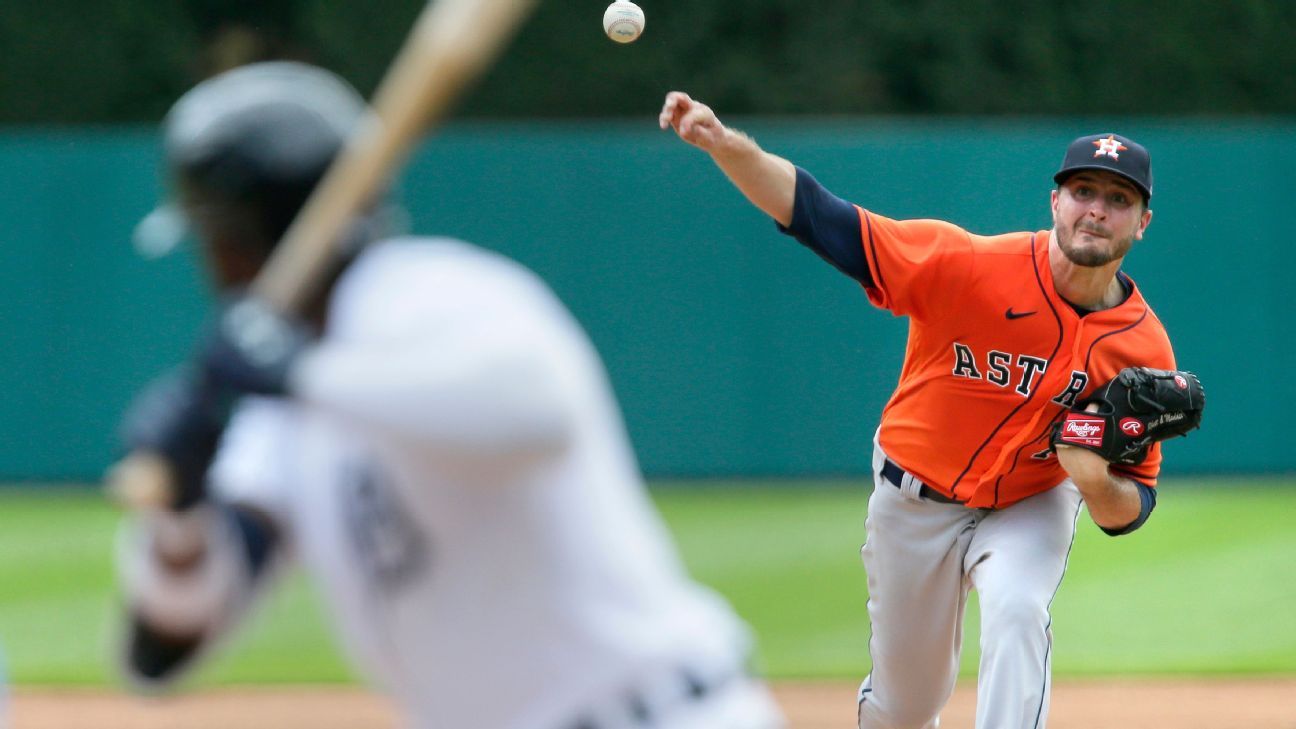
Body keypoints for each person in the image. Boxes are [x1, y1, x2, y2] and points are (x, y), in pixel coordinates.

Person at [113, 63, 785, 729]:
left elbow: (533, 411)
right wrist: (181, 513)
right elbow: (162, 648)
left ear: (237, 240)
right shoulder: (281, 412)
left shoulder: (434, 294)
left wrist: (302, 377)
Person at [658, 91, 1191, 728]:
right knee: (905, 707)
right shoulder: (966, 264)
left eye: (1118, 199)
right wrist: (724, 143)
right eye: (1083, 192)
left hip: (1030, 501)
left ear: (1142, 223)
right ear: (1055, 202)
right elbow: (819, 216)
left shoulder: (1144, 346)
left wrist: (1093, 476)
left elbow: (1130, 508)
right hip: (914, 500)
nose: (1096, 211)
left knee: (1020, 609)